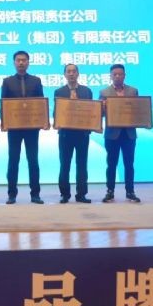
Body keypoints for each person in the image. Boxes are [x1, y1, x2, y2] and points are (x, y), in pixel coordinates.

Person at [1, 51, 46, 204]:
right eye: (18, 60)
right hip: (14, 128)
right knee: (13, 161)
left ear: (28, 62)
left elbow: (41, 103)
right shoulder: (7, 82)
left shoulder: (36, 81)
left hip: (32, 128)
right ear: (14, 63)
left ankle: (35, 194)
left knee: (33, 161)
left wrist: (43, 121)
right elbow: (4, 103)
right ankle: (11, 194)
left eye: (24, 60)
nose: (21, 63)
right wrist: (4, 122)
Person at [100, 64, 141, 203]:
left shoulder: (133, 91)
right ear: (110, 76)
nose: (117, 76)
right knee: (111, 164)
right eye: (115, 74)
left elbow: (138, 110)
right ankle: (110, 192)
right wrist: (103, 108)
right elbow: (100, 114)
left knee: (129, 164)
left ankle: (130, 191)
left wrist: (145, 121)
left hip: (129, 134)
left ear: (124, 75)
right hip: (112, 134)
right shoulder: (104, 92)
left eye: (120, 74)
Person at [54, 64, 93, 204]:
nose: (71, 74)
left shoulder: (86, 91)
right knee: (65, 164)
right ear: (65, 74)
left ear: (78, 73)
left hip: (82, 134)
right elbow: (56, 112)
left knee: (82, 164)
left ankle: (81, 194)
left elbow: (92, 111)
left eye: (74, 71)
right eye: (68, 71)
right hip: (65, 134)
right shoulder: (59, 92)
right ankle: (64, 194)